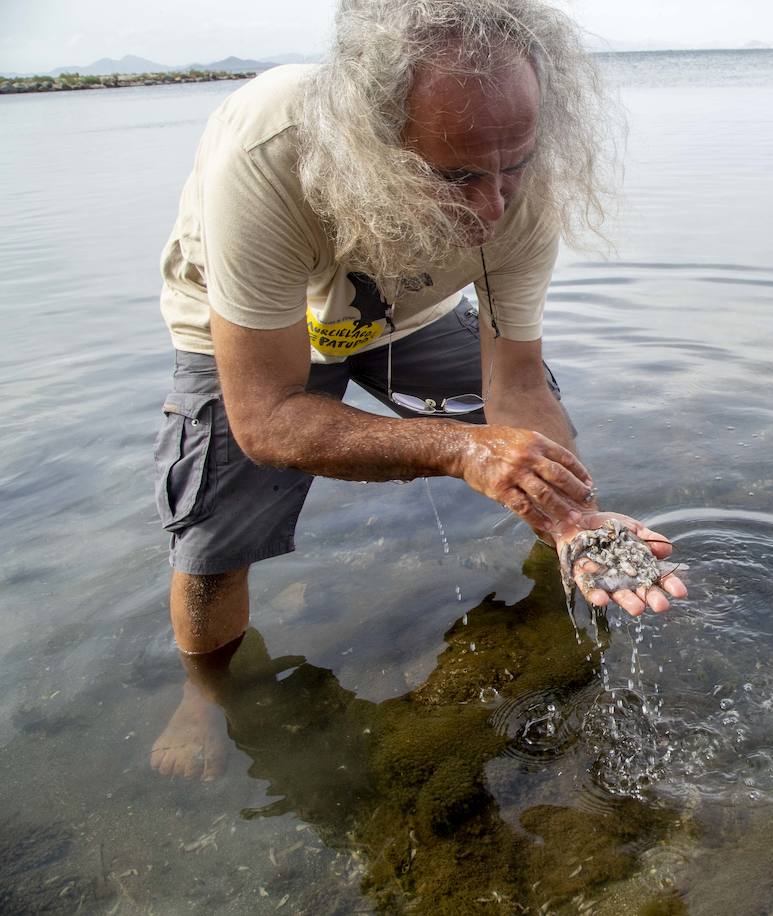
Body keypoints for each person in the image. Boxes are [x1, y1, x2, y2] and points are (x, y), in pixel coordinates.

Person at [149, 0, 686, 780]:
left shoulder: (514, 187)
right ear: (373, 143)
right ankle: (206, 692)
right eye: (455, 174)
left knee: (531, 444)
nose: (492, 206)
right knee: (215, 536)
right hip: (253, 321)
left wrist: (571, 515)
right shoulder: (268, 151)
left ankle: (562, 557)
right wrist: (461, 451)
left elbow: (518, 380)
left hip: (404, 308)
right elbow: (266, 418)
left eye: (514, 166)